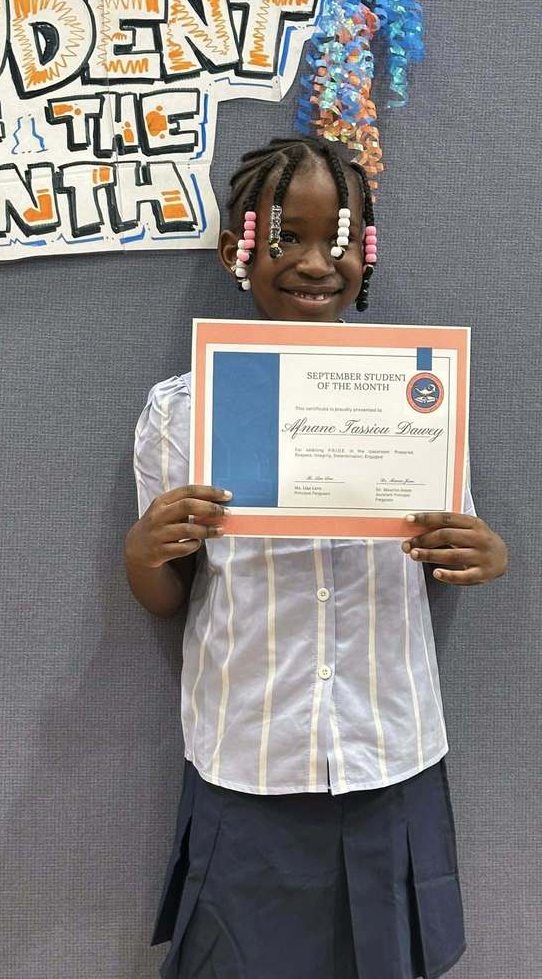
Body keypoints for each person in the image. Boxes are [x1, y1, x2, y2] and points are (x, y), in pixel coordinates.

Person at [124, 137, 508, 979]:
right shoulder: (181, 411)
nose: (313, 262)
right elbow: (168, 594)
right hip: (250, 753)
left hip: (388, 751)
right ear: (237, 249)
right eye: (283, 237)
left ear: (367, 253)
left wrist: (482, 552)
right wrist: (145, 550)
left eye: (337, 238)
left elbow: (451, 544)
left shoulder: (421, 396)